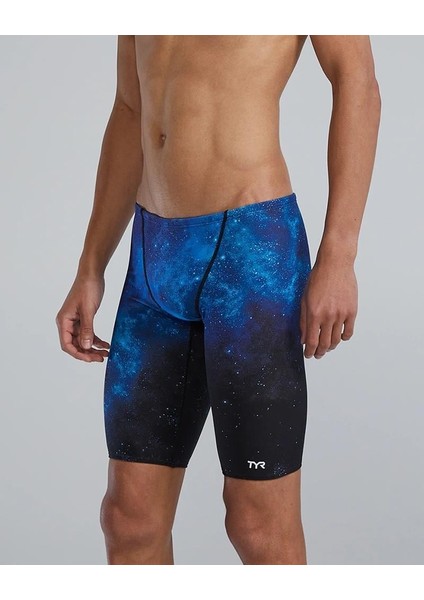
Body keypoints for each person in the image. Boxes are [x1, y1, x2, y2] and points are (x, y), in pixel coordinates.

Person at [55, 35, 381, 565]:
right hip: (153, 256)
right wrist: (90, 266)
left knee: (257, 524)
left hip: (250, 254)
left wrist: (339, 255)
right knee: (129, 519)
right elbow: (130, 108)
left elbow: (357, 82)